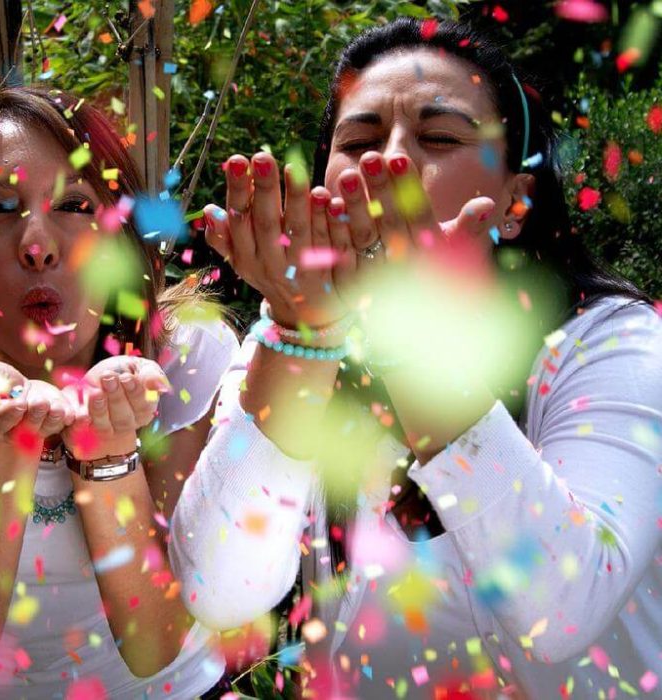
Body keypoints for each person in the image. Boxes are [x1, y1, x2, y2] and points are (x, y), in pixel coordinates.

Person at [171, 18, 661, 698]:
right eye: (359, 141)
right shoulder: (292, 341)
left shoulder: (610, 342)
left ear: (515, 202)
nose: (385, 164)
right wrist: (303, 335)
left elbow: (563, 610)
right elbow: (218, 592)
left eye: (439, 138)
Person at [0, 87, 238, 697]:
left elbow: (156, 641)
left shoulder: (183, 360)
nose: (37, 244)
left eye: (74, 204)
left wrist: (108, 456)